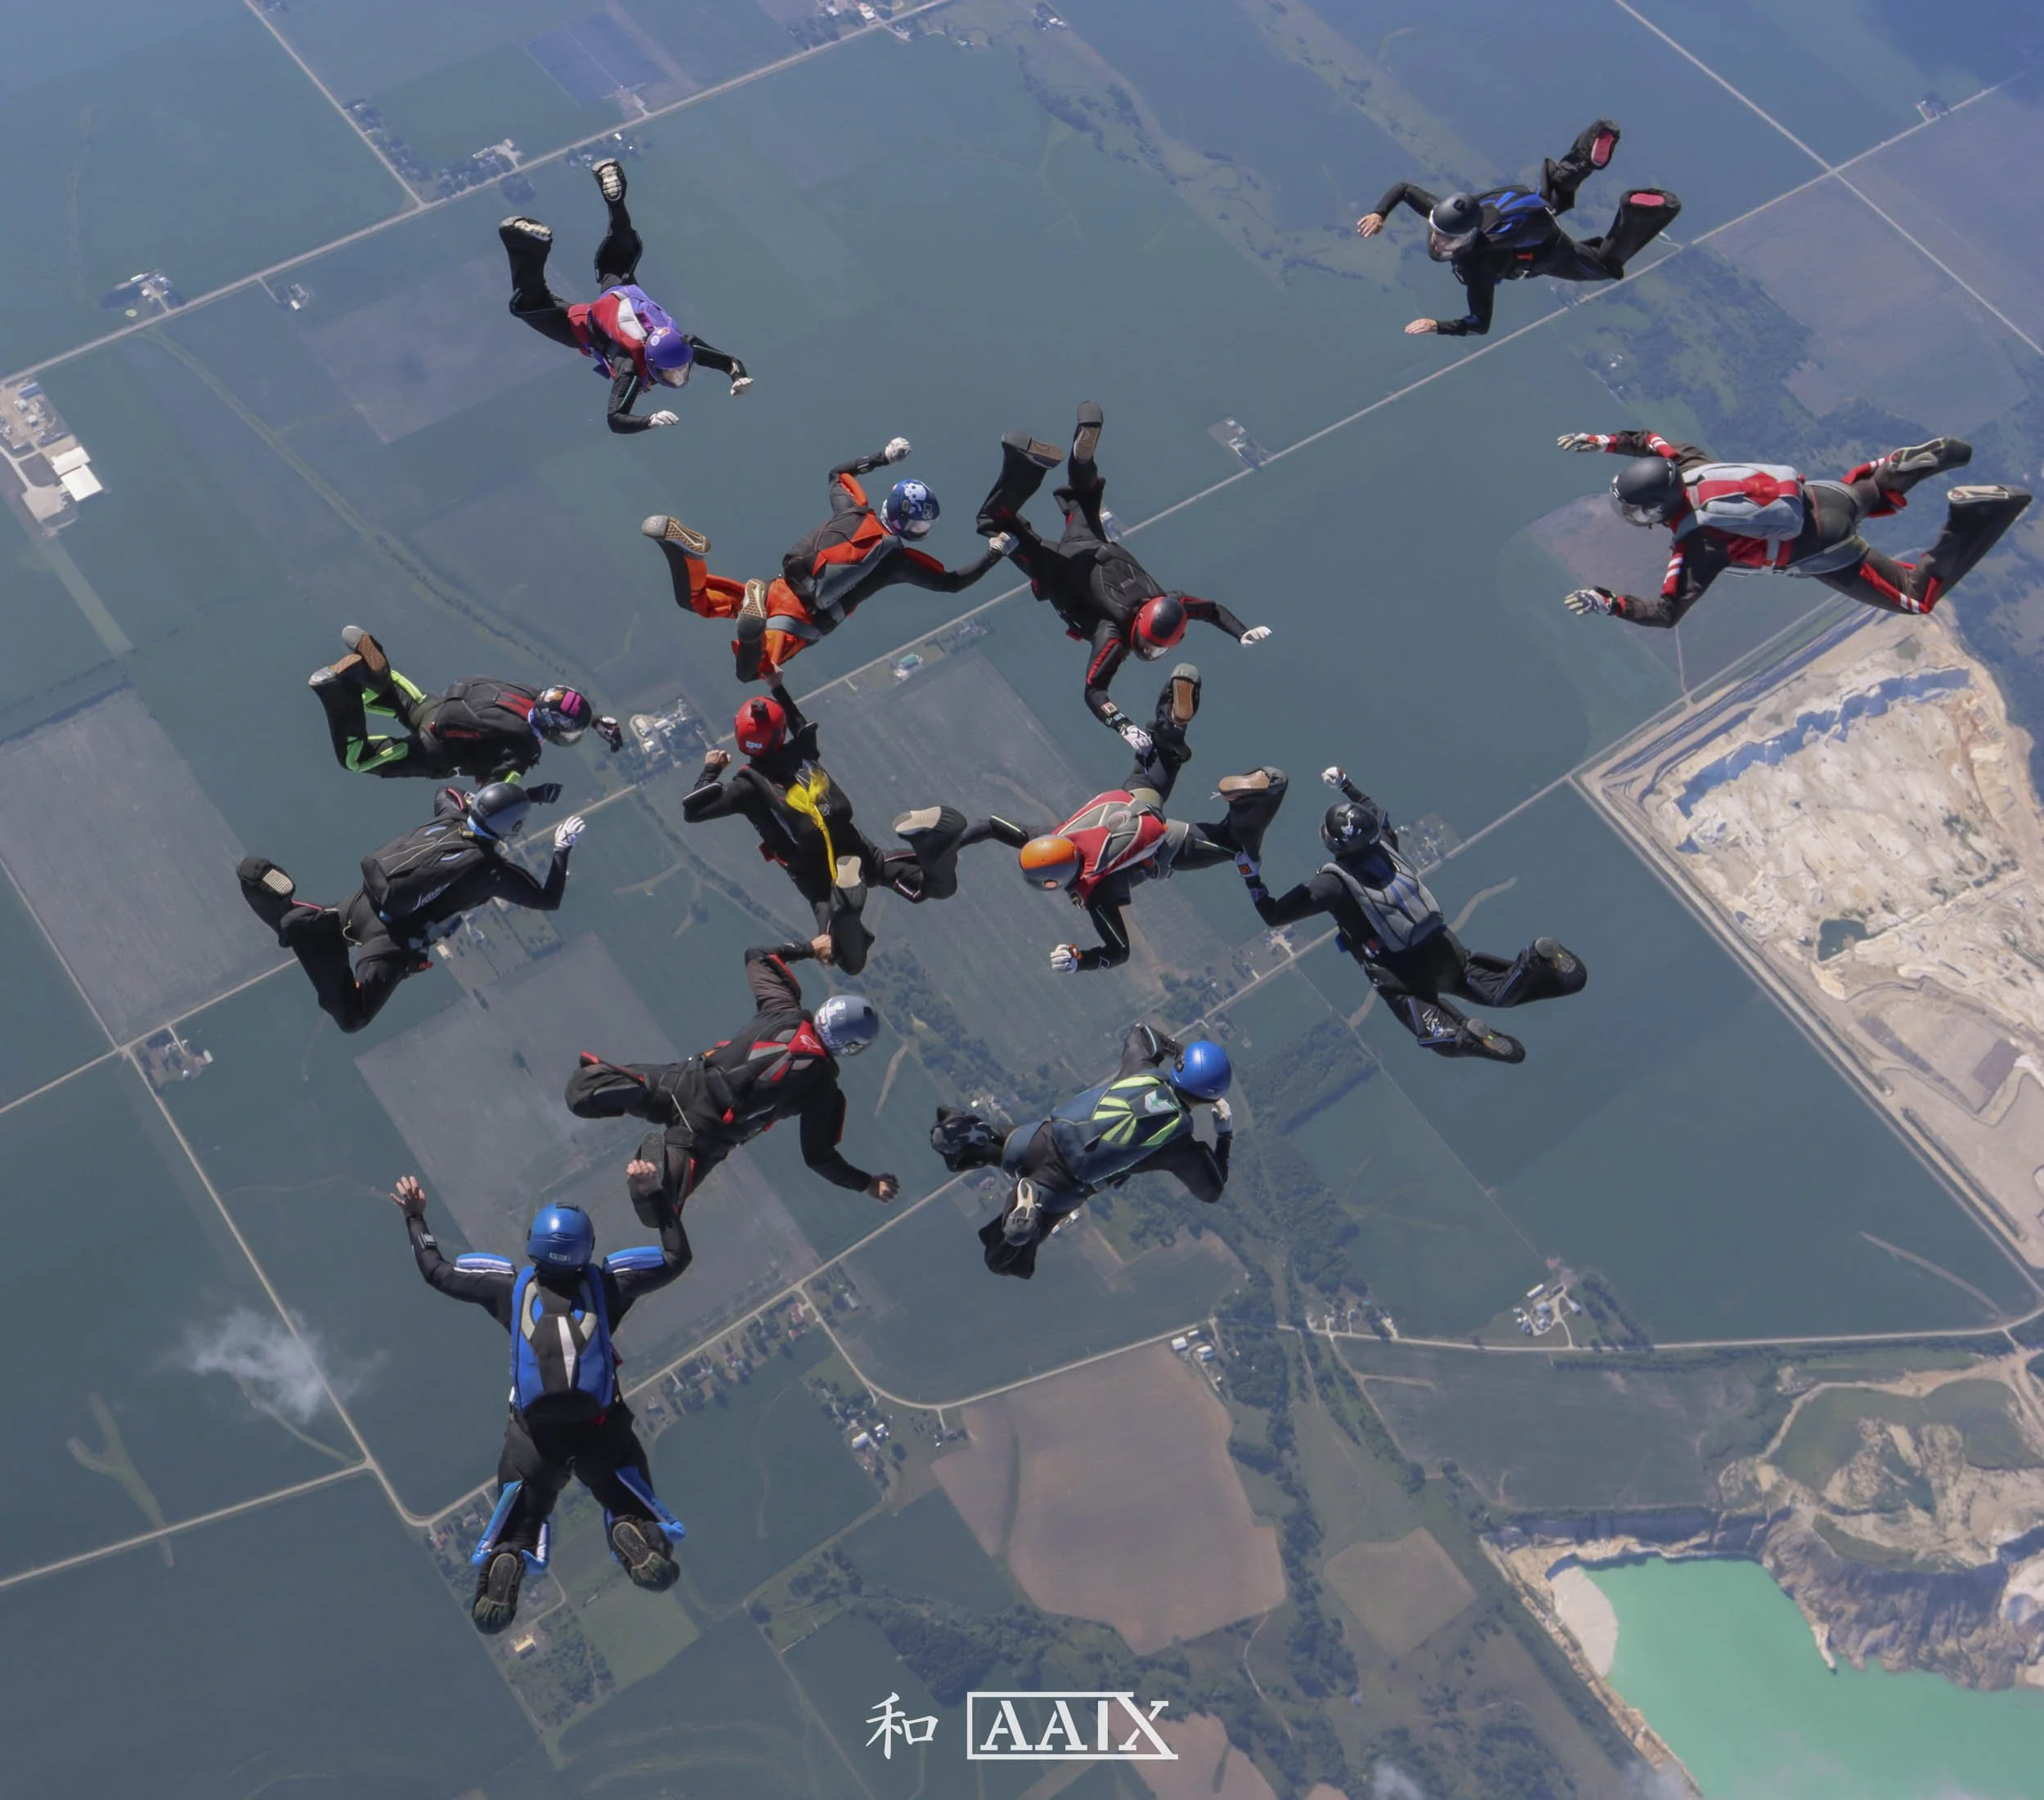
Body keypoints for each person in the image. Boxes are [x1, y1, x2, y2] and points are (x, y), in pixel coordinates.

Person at [391, 1163, 690, 1633]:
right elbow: (675, 1257)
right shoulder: (609, 1286)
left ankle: (508, 1558)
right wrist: (654, 1195)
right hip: (601, 1431)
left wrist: (416, 1219)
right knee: (630, 1503)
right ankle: (636, 1536)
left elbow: (439, 1273)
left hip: (533, 1439)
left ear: (534, 1243)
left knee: (520, 1523)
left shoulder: (509, 1289)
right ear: (586, 1248)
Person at [975, 403, 1271, 750]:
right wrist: (1123, 727)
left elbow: (1212, 610)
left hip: (1089, 546)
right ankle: (1026, 467)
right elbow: (1094, 691)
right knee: (992, 521)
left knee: (1083, 493)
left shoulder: (1170, 602)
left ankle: (1080, 457)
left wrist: (1242, 632)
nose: (1147, 650)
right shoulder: (1114, 636)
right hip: (1059, 571)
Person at [1238, 769, 1585, 1063]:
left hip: (1399, 974)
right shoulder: (1387, 845)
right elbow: (1376, 813)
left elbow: (1273, 914)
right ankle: (1532, 964)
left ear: (1334, 844)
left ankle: (1464, 1036)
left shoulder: (1332, 885)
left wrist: (1251, 876)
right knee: (1495, 990)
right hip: (1444, 950)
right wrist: (1346, 784)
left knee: (1434, 1033)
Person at [680, 687, 1028, 974]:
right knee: (932, 888)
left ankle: (845, 905)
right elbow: (802, 726)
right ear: (779, 732)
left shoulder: (746, 786)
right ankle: (933, 840)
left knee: (847, 961)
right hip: (861, 851)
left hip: (817, 878)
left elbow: (693, 810)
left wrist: (711, 770)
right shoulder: (801, 751)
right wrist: (777, 687)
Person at [1555, 429, 2032, 624]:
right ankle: (1895, 467)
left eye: (1637, 513)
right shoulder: (1689, 463)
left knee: (1915, 596)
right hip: (1822, 495)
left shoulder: (1697, 544)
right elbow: (1652, 439)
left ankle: (1974, 516)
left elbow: (1666, 612)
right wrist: (1603, 441)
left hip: (1822, 546)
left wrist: (1609, 601)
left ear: (1658, 509)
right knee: (1868, 494)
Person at [567, 942, 899, 1216]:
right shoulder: (823, 1091)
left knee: (580, 1092)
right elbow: (819, 1158)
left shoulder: (783, 1009)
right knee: (658, 1211)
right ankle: (654, 1168)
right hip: (707, 1135)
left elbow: (757, 955)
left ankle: (611, 1084)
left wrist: (811, 949)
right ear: (851, 1048)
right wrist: (867, 1183)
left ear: (827, 1009)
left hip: (685, 1082)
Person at [641, 437, 1003, 683]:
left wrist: (883, 457)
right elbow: (952, 582)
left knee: (696, 600)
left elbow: (837, 475)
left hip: (775, 588)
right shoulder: (897, 560)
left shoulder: (853, 510)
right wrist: (996, 552)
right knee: (751, 671)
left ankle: (683, 553)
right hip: (800, 618)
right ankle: (752, 628)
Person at [236, 786, 585, 1033]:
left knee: (320, 922)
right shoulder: (493, 872)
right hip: (390, 940)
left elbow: (447, 792)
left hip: (359, 904)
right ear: (514, 829)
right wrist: (562, 848)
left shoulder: (452, 818)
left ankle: (295, 916)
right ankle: (310, 938)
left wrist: (527, 794)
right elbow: (548, 898)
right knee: (353, 1018)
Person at [1015, 665, 1287, 972]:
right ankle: (1172, 722)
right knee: (1159, 752)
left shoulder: (1096, 893)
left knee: (1236, 845)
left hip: (1163, 848)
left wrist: (1080, 961)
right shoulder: (1055, 834)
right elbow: (996, 826)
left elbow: (1118, 952)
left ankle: (1265, 789)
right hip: (1135, 800)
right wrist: (958, 838)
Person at [931, 1026, 1235, 1278]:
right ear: (1210, 1099)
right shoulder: (1178, 1142)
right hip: (1062, 1185)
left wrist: (1177, 1052)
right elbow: (1212, 1188)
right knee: (1003, 1260)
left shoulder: (1140, 1071)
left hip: (1044, 1137)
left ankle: (967, 1131)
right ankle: (1021, 1224)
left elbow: (1142, 1034)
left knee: (996, 1148)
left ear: (1182, 1068)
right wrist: (1225, 1135)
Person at [1355, 119, 1679, 338]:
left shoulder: (1477, 265)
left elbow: (1480, 324)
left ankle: (1637, 213)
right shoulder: (1448, 215)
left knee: (1604, 265)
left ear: (1468, 237)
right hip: (1528, 208)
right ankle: (1588, 156)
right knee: (1552, 194)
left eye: (1447, 241)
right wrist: (1379, 213)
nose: (1439, 243)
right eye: (1437, 232)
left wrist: (1437, 326)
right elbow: (1405, 189)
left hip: (1548, 252)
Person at [499, 159, 751, 435]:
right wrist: (649, 420)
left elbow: (729, 362)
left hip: (620, 293)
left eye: (679, 370)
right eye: (672, 372)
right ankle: (521, 239)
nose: (677, 376)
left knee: (620, 253)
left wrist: (738, 376)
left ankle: (614, 197)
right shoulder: (630, 368)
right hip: (583, 326)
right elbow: (616, 419)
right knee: (529, 304)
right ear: (652, 363)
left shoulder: (684, 347)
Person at [307, 625, 622, 792]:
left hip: (437, 708)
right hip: (434, 753)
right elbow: (494, 793)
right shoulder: (525, 749)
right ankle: (336, 694)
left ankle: (374, 676)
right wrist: (531, 796)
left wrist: (593, 719)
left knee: (392, 694)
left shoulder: (532, 695)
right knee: (357, 760)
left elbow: (559, 705)